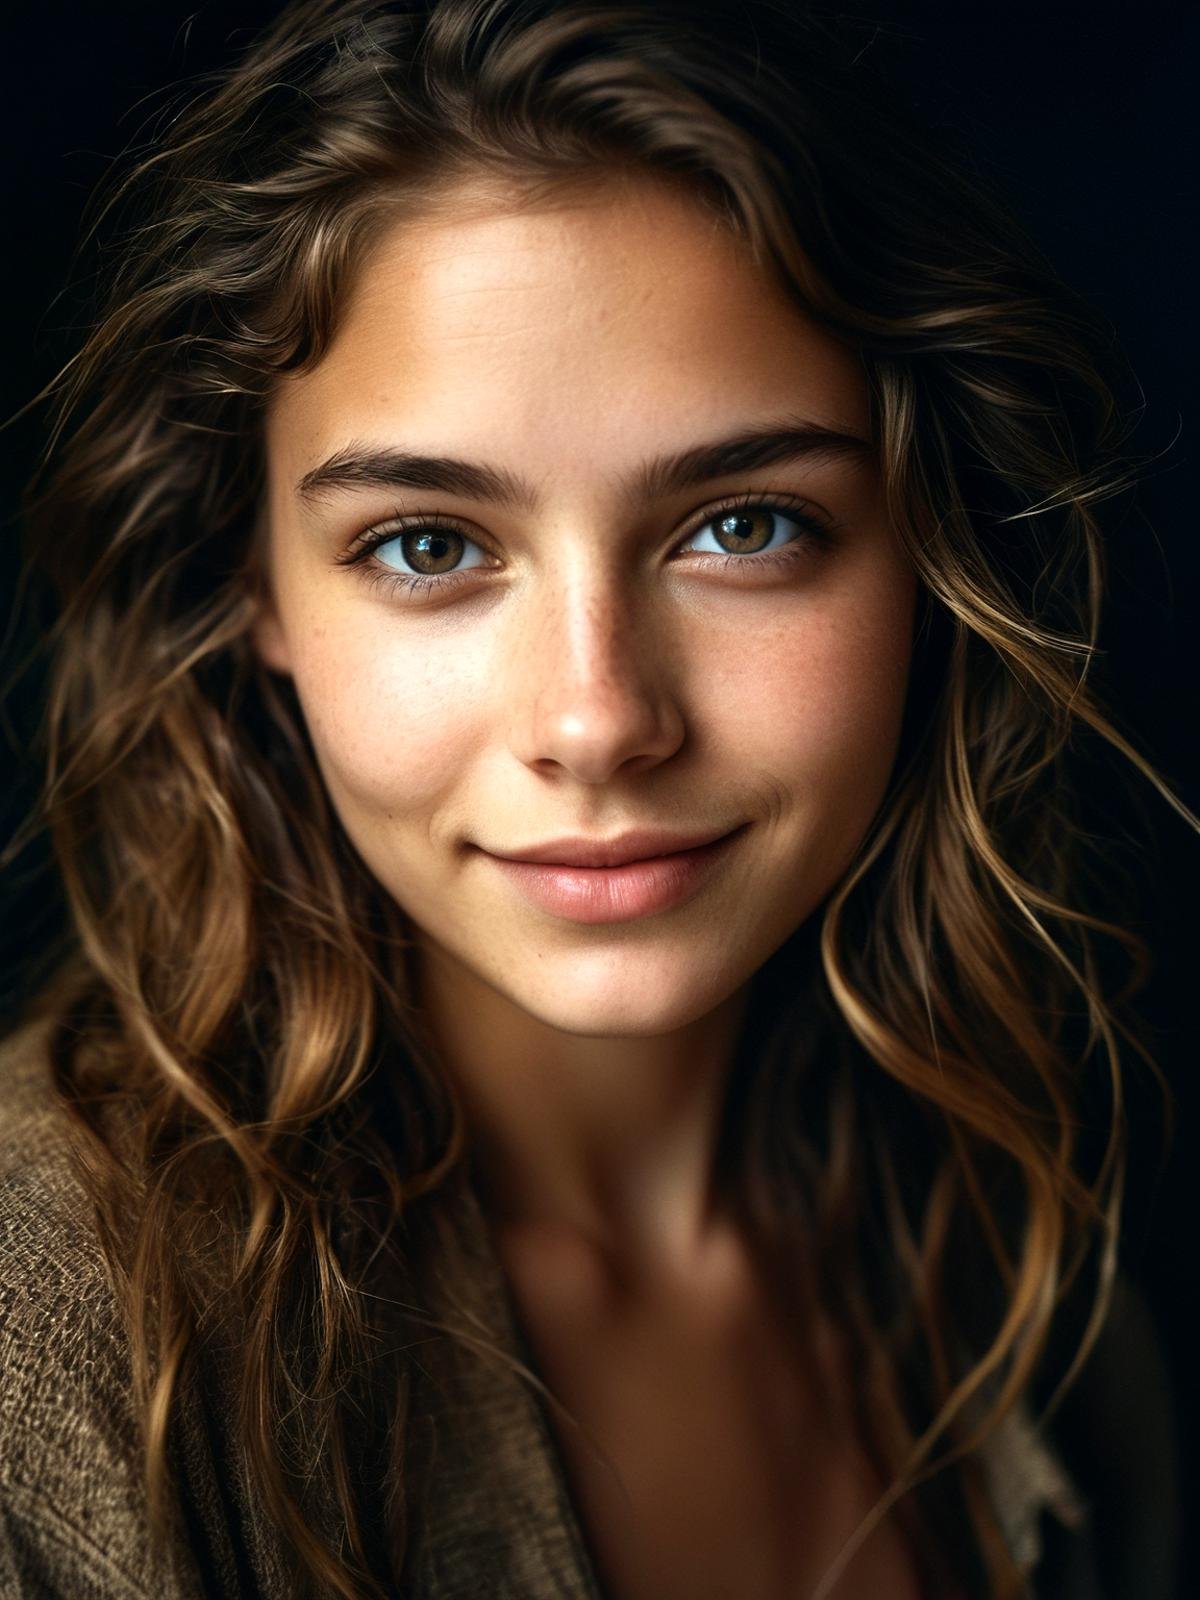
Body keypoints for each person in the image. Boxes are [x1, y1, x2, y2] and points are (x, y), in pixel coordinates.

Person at [0, 1, 1189, 1596]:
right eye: (428, 545)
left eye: (746, 526)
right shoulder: (49, 1335)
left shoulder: (1024, 1254)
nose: (598, 719)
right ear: (255, 591)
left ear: (929, 555)